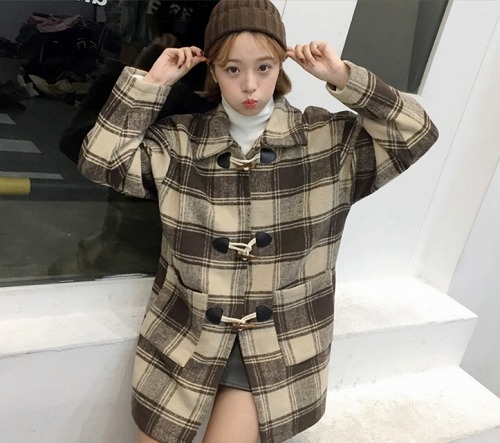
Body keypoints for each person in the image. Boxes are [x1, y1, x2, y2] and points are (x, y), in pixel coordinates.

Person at [78, 0, 439, 442]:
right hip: (185, 336)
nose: (250, 85)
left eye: (263, 67)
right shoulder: (178, 143)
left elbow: (416, 132)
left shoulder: (328, 143)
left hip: (277, 345)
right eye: (233, 69)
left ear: (282, 63)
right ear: (213, 70)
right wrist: (151, 84)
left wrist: (344, 77)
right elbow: (100, 161)